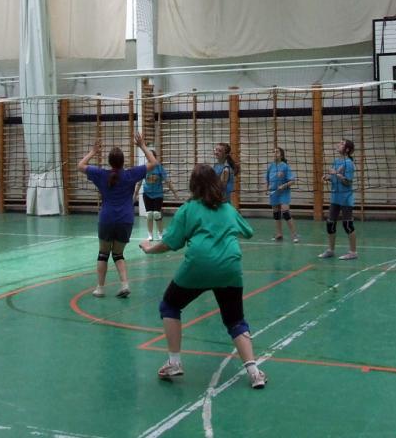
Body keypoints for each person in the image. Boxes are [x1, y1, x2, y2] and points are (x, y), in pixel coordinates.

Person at [139, 164, 267, 389]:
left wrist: (149, 249)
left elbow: (170, 243)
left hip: (199, 265)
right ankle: (255, 373)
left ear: (193, 185)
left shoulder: (188, 209)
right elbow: (248, 232)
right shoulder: (227, 209)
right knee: (235, 320)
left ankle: (174, 362)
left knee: (170, 305)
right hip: (229, 266)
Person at [78, 133, 157, 298]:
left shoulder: (101, 174)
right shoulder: (130, 174)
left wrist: (93, 152)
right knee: (118, 254)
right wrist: (142, 145)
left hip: (107, 219)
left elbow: (80, 165)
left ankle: (100, 288)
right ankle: (124, 285)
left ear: (109, 162)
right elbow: (153, 163)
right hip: (125, 220)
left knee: (103, 254)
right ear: (123, 162)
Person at [319, 139, 358, 260]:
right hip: (335, 197)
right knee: (330, 223)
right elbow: (334, 177)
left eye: (342, 144)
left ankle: (353, 252)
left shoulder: (349, 163)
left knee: (347, 225)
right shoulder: (336, 161)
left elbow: (348, 182)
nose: (338, 144)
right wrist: (328, 177)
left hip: (346, 198)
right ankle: (330, 250)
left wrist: (335, 173)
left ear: (347, 149)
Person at [133, 149, 179, 241]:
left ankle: (160, 233)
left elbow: (167, 181)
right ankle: (150, 234)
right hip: (147, 194)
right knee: (149, 214)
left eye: (151, 156)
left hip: (158, 194)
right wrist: (135, 194)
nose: (149, 158)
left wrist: (174, 193)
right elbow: (139, 182)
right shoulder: (145, 168)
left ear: (155, 157)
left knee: (157, 214)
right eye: (148, 156)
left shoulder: (159, 168)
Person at [267, 147, 299, 243]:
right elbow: (267, 179)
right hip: (274, 192)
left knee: (285, 212)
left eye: (277, 152)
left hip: (284, 192)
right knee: (276, 214)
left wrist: (283, 186)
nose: (274, 153)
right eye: (273, 152)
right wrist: (267, 188)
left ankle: (294, 235)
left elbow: (292, 181)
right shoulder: (270, 166)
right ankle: (279, 234)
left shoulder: (285, 166)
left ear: (281, 155)